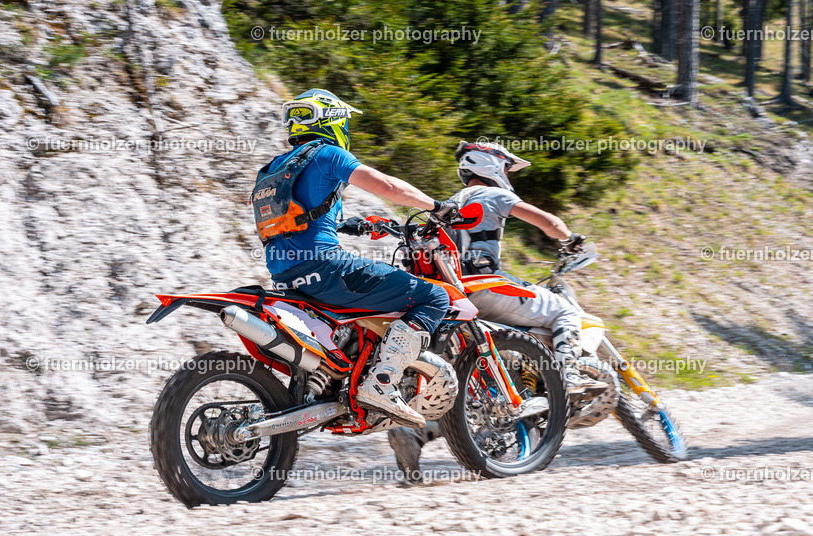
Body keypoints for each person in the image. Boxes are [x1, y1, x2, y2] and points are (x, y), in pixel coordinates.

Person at [388, 140, 605, 478]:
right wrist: (569, 240)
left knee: (474, 376)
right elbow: (547, 221)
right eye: (505, 168)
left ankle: (418, 432)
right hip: (486, 286)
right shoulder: (491, 195)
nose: (507, 175)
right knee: (565, 312)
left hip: (449, 296)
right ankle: (570, 377)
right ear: (490, 166)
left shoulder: (441, 205)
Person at [259, 88, 454, 428]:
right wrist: (437, 206)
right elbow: (389, 188)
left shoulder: (276, 167)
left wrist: (358, 225)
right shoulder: (329, 154)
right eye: (345, 121)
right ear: (332, 120)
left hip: (286, 276)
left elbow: (302, 219)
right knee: (434, 295)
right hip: (326, 268)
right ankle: (382, 383)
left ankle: (342, 380)